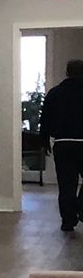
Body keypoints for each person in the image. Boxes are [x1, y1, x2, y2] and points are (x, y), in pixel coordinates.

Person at [40, 58, 83, 231]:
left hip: (63, 143)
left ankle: (68, 220)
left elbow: (45, 120)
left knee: (66, 184)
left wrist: (44, 142)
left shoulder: (55, 93)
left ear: (67, 72)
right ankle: (81, 206)